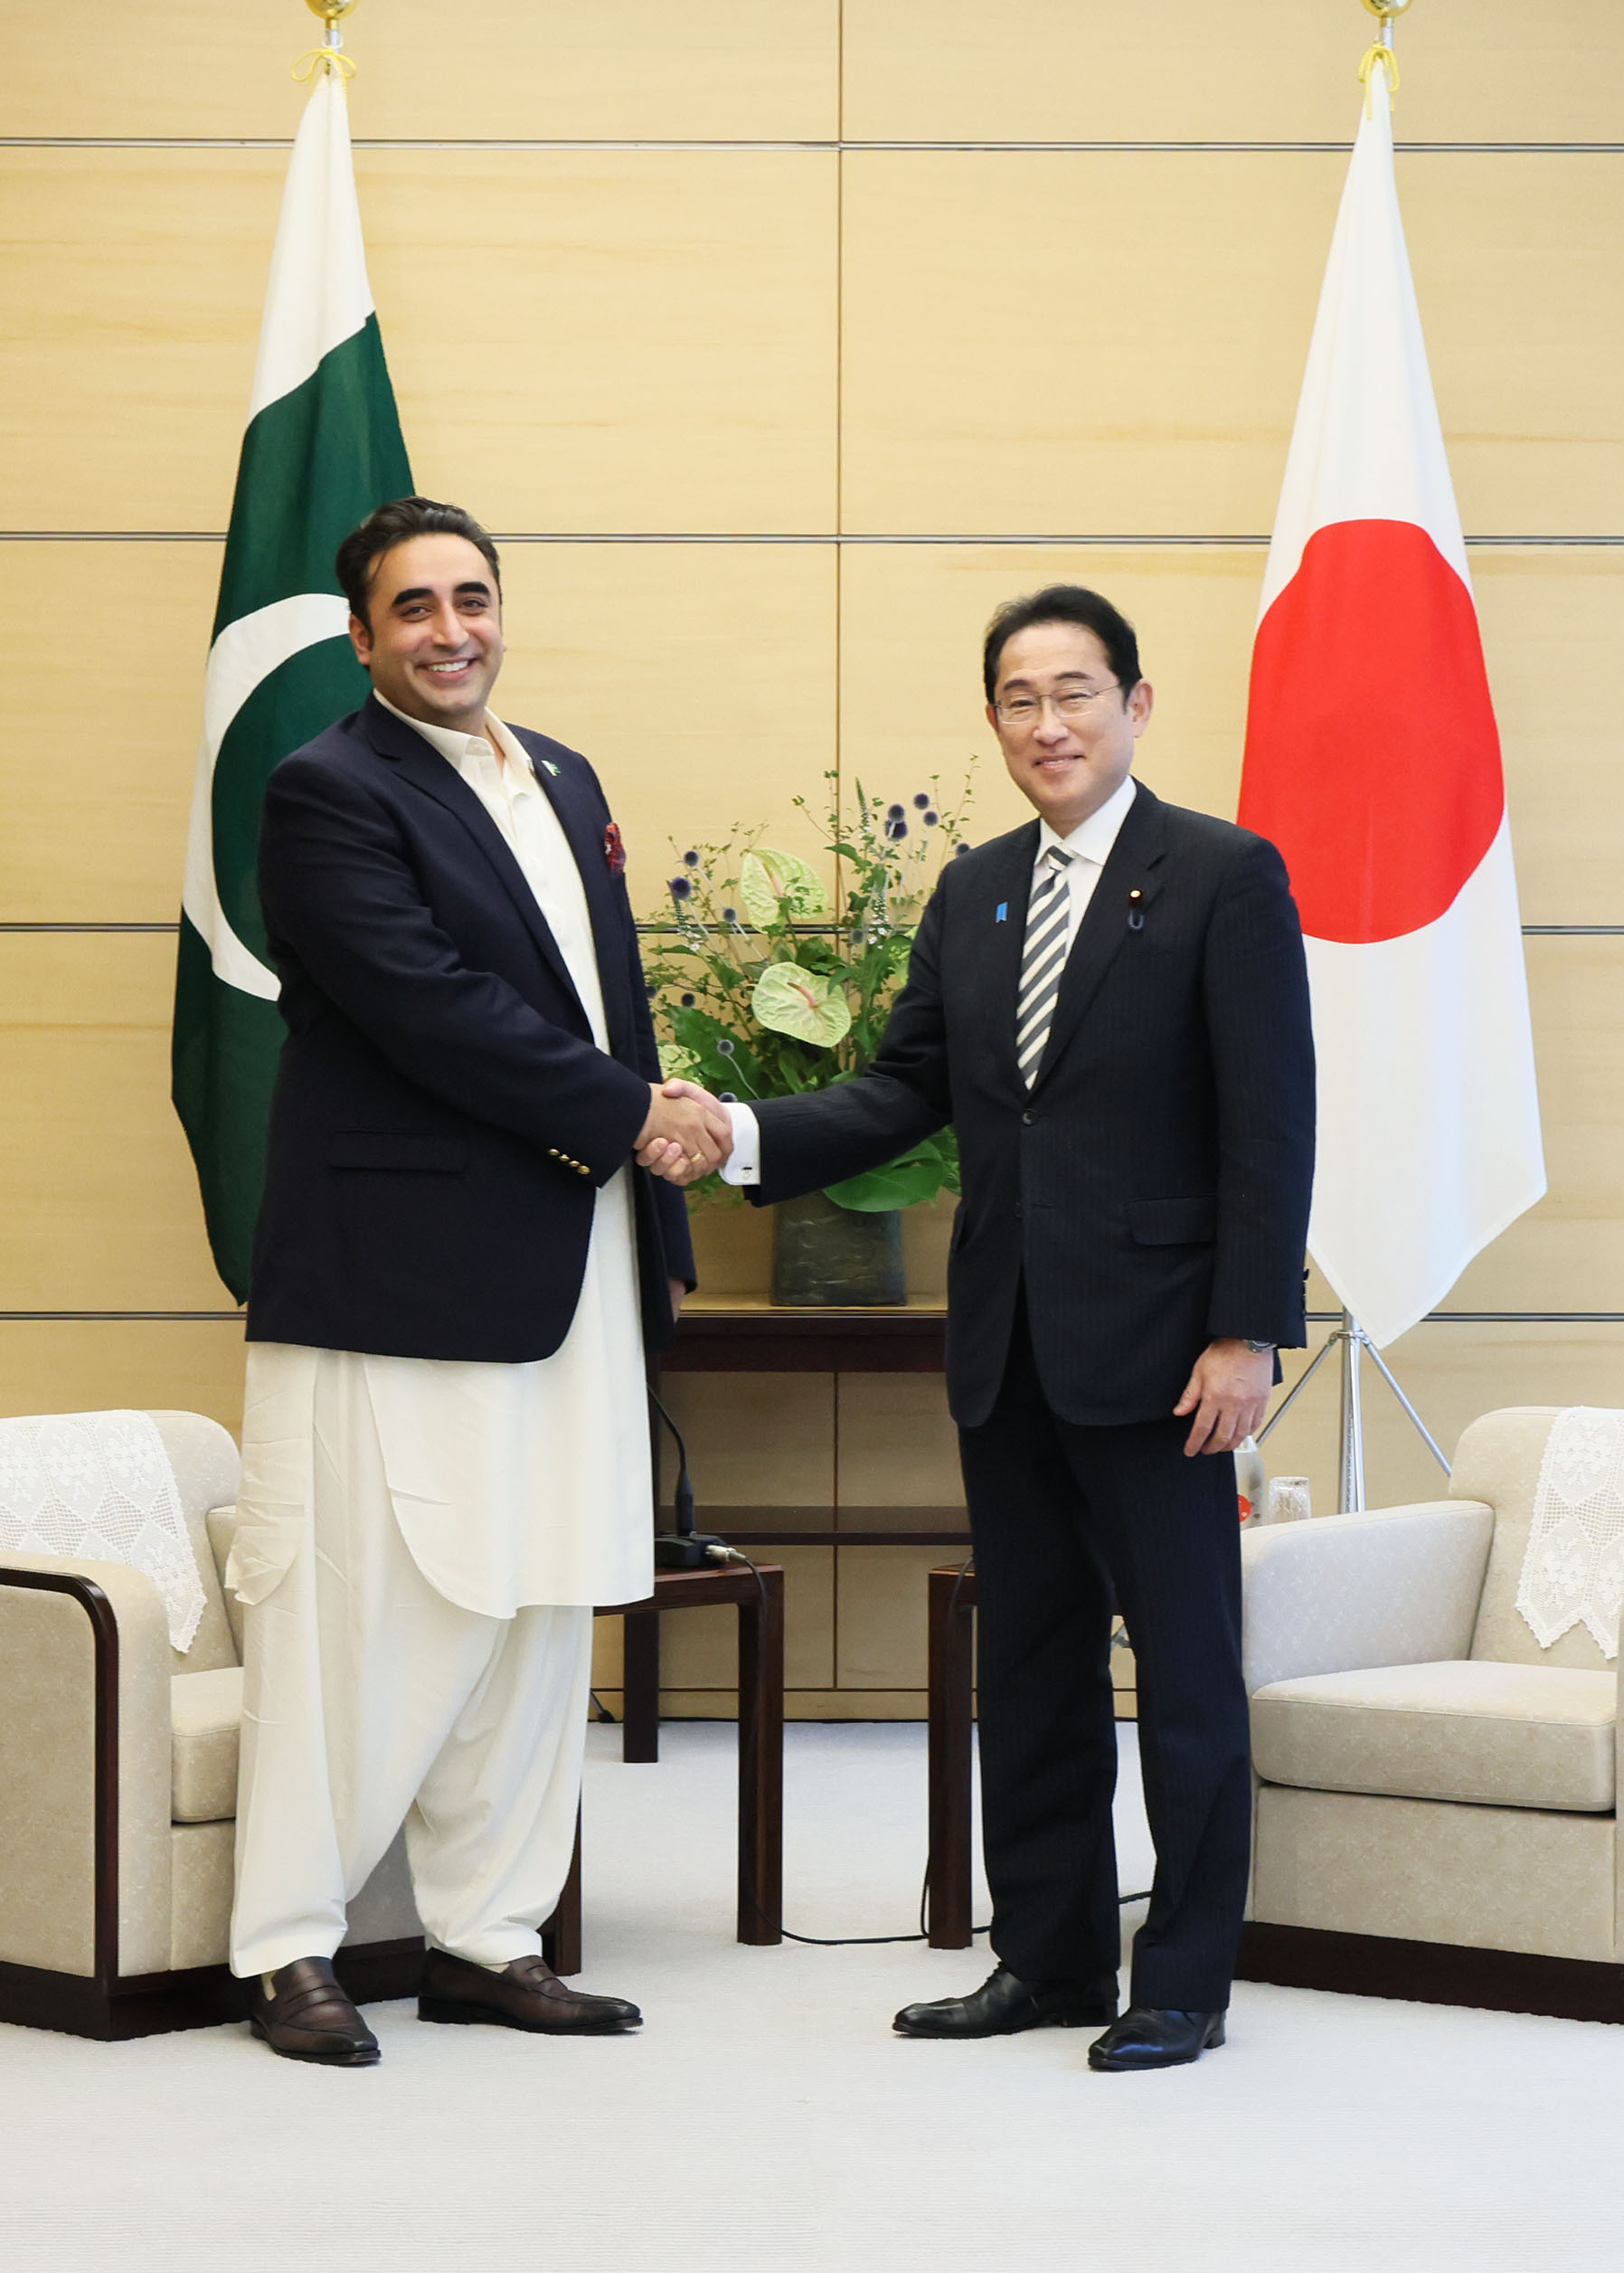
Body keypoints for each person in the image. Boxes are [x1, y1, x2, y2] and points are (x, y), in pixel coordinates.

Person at [646, 584, 1314, 2072]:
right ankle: (1051, 1958)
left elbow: (1271, 1122)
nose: (1047, 722)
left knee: (1185, 1675)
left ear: (1136, 705)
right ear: (996, 722)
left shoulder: (1223, 875)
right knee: (1030, 1667)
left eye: (1076, 692)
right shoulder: (976, 890)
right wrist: (740, 1131)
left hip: (1167, 1353)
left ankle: (1184, 1980)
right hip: (1008, 1342)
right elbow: (903, 1092)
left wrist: (1247, 1332)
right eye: (1019, 698)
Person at [227, 495, 726, 2064]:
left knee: (540, 1603)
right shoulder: (326, 789)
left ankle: (488, 1937)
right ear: (362, 635)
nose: (453, 631)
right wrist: (634, 1115)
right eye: (416, 607)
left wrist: (653, 1197)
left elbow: (605, 1003)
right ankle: (289, 1948)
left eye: (474, 598)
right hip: (396, 1278)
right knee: (368, 1621)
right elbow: (426, 1005)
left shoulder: (562, 775)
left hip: (571, 1256)